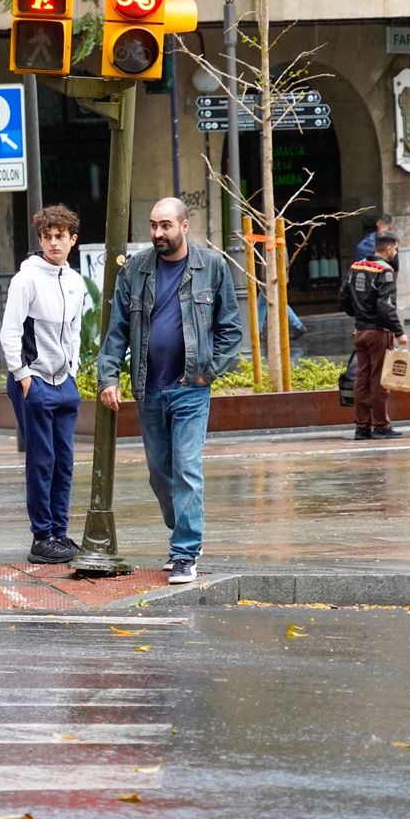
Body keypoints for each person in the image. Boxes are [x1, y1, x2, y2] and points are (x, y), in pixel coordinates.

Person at [96, 198, 242, 585]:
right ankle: (183, 531)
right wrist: (108, 377)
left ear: (184, 225)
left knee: (187, 468)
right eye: (153, 226)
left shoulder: (212, 266)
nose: (158, 233)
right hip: (148, 388)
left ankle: (184, 552)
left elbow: (231, 329)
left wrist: (206, 373)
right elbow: (117, 331)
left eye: (165, 225)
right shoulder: (137, 269)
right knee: (160, 473)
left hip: (190, 390)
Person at [0, 204, 86, 565]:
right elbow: (10, 331)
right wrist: (22, 376)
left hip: (63, 381)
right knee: (42, 460)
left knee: (64, 461)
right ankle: (42, 536)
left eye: (60, 237)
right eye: (48, 237)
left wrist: (74, 370)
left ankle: (59, 532)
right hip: (34, 380)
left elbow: (76, 331)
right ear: (40, 239)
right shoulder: (27, 279)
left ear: (72, 240)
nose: (54, 243)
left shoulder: (76, 281)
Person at [339, 232, 408, 441]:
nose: (395, 253)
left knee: (362, 379)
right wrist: (399, 332)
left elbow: (343, 298)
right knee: (379, 380)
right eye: (395, 249)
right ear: (388, 249)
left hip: (360, 332)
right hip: (379, 333)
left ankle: (362, 427)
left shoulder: (356, 266)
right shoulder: (385, 271)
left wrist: (359, 317)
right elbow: (385, 306)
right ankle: (381, 426)